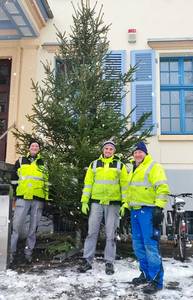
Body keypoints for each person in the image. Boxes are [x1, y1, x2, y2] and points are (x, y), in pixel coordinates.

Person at [120, 141, 170, 294]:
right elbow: (130, 191)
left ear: (145, 153)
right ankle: (146, 274)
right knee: (138, 245)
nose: (137, 154)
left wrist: (159, 208)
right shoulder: (133, 169)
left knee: (150, 245)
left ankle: (156, 280)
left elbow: (162, 187)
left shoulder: (154, 166)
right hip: (135, 212)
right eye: (135, 152)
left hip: (148, 211)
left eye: (140, 151)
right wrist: (126, 207)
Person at [78, 140, 128, 275]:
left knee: (111, 234)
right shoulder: (94, 165)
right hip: (96, 203)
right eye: (106, 149)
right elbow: (88, 184)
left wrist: (125, 203)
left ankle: (109, 262)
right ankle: (87, 261)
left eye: (111, 149)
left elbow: (125, 186)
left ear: (114, 152)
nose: (108, 151)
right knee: (91, 233)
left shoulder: (119, 165)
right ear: (103, 150)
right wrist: (84, 201)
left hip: (113, 204)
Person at [10, 139, 49, 264]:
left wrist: (46, 199)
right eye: (32, 145)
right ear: (29, 148)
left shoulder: (43, 163)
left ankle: (28, 253)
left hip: (38, 200)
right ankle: (11, 254)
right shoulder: (21, 161)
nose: (34, 147)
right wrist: (17, 193)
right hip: (23, 198)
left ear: (39, 149)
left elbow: (46, 183)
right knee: (16, 227)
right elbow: (14, 179)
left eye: (37, 146)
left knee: (33, 229)